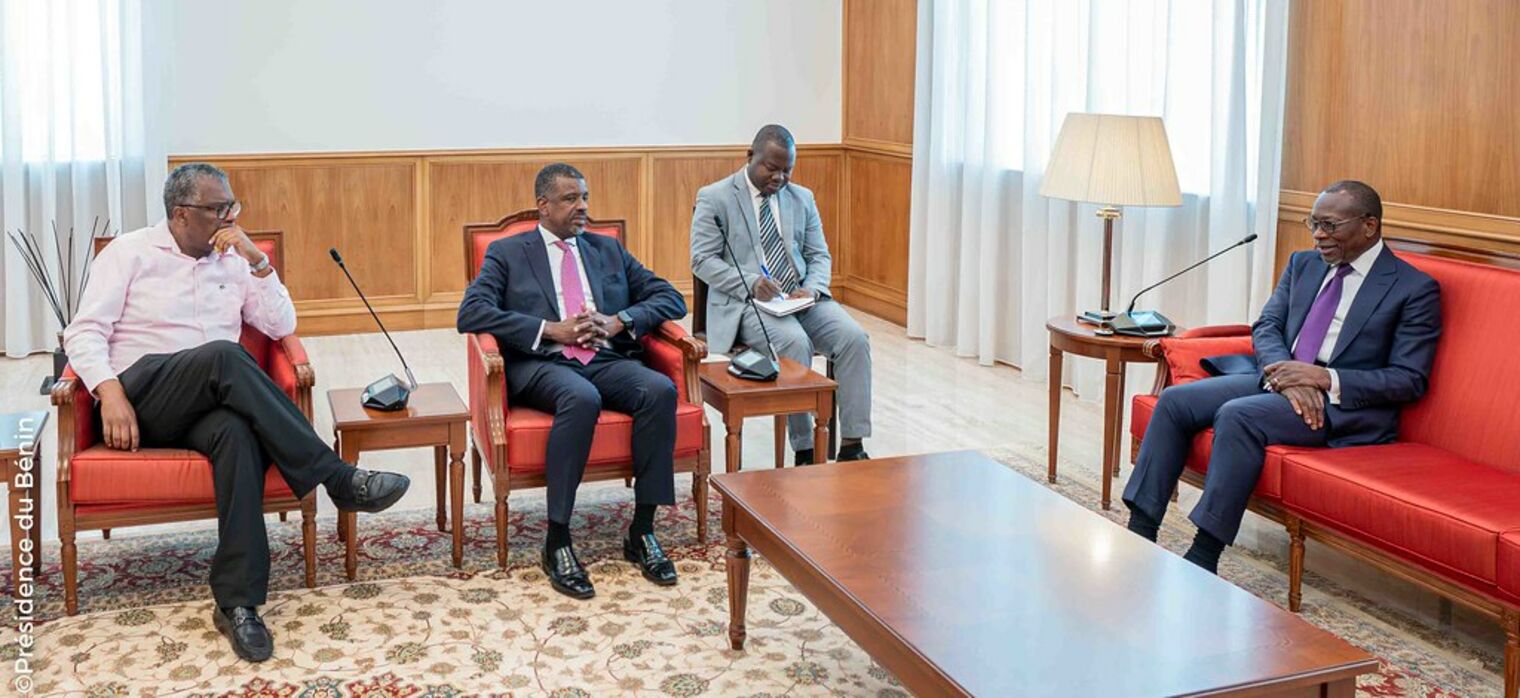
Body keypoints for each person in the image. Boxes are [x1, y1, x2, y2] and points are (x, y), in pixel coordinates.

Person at [63, 163, 411, 662]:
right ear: (181, 215)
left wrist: (259, 263)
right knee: (224, 355)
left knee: (236, 435)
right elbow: (83, 332)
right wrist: (110, 391)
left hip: (209, 403)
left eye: (232, 206)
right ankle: (336, 477)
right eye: (217, 209)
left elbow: (281, 326)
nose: (229, 217)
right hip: (142, 399)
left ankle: (238, 603)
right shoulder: (128, 253)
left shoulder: (233, 261)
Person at [1122, 180, 1441, 573]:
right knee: (1174, 401)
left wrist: (1323, 378)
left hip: (1340, 406)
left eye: (1330, 225)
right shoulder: (1304, 264)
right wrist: (1287, 375)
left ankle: (1203, 557)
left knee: (1238, 415)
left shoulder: (1412, 288)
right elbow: (1267, 326)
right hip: (1281, 377)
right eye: (1314, 224)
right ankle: (1139, 533)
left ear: (1369, 225)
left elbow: (1409, 379)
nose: (1318, 235)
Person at [456, 163, 687, 600]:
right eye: (570, 199)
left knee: (658, 390)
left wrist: (620, 320)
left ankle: (642, 531)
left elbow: (670, 298)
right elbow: (471, 313)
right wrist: (550, 330)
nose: (582, 207)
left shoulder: (607, 250)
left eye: (584, 197)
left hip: (604, 356)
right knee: (581, 398)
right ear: (543, 205)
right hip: (542, 362)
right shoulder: (508, 253)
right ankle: (558, 539)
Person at [690, 124, 872, 464]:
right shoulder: (715, 197)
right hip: (747, 302)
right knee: (794, 343)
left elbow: (819, 255)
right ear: (750, 156)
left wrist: (812, 288)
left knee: (854, 338)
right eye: (771, 168)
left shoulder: (802, 198)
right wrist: (750, 282)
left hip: (800, 298)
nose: (779, 178)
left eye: (787, 170)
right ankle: (806, 449)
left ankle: (852, 445)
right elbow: (702, 260)